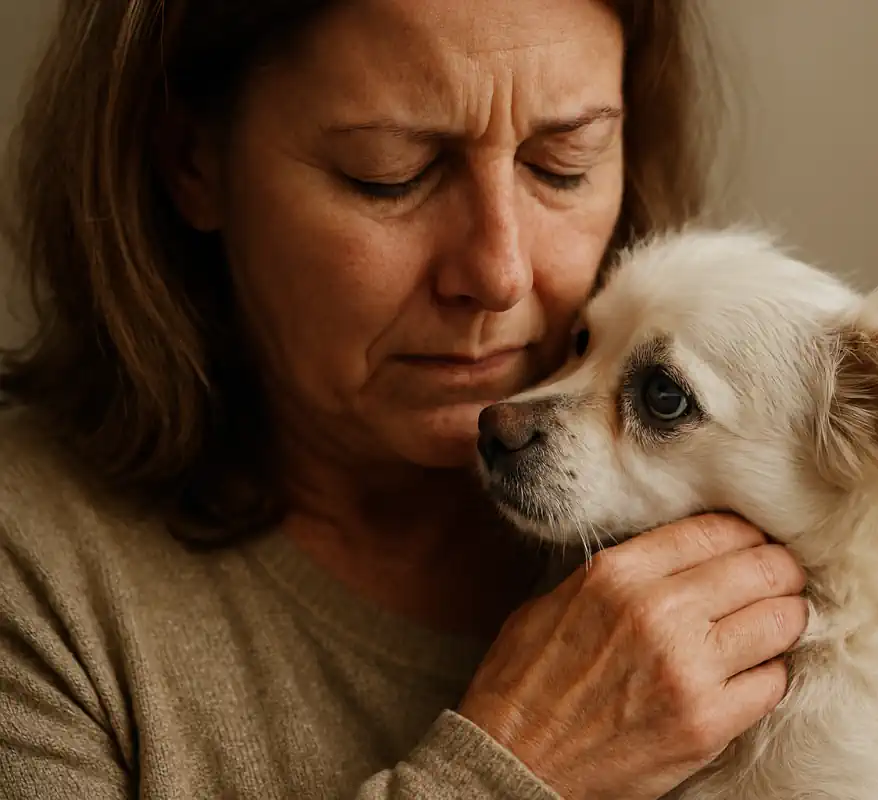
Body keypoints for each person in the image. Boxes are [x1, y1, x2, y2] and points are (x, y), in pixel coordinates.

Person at [0, 0, 809, 797]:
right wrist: (513, 772)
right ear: (193, 161)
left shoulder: (779, 480)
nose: (499, 275)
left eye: (564, 163)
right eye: (391, 174)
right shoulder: (34, 575)